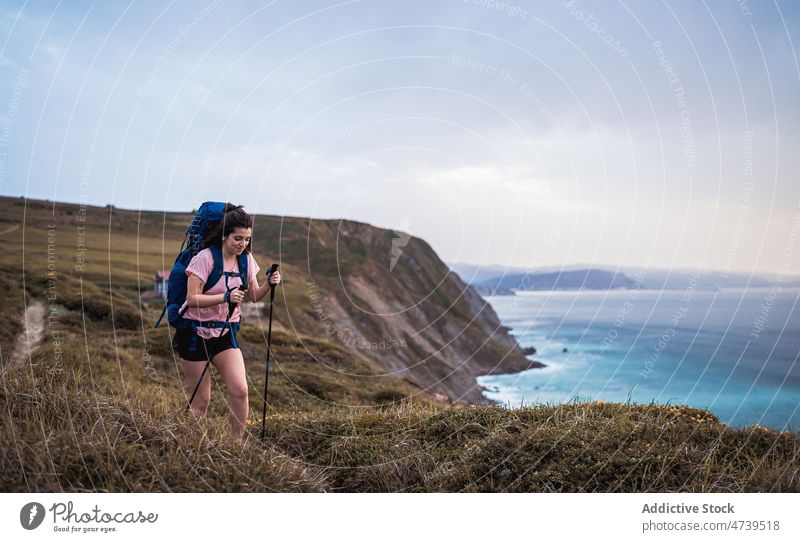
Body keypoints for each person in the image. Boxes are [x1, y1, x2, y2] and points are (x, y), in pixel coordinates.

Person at [172, 203, 281, 438]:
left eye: (247, 239)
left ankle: (235, 447)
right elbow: (191, 299)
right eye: (237, 238)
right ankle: (188, 444)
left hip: (224, 333)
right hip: (193, 333)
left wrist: (268, 285)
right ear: (224, 235)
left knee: (240, 390)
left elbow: (252, 296)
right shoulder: (204, 258)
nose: (242, 244)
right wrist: (225, 297)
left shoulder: (246, 260)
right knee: (201, 401)